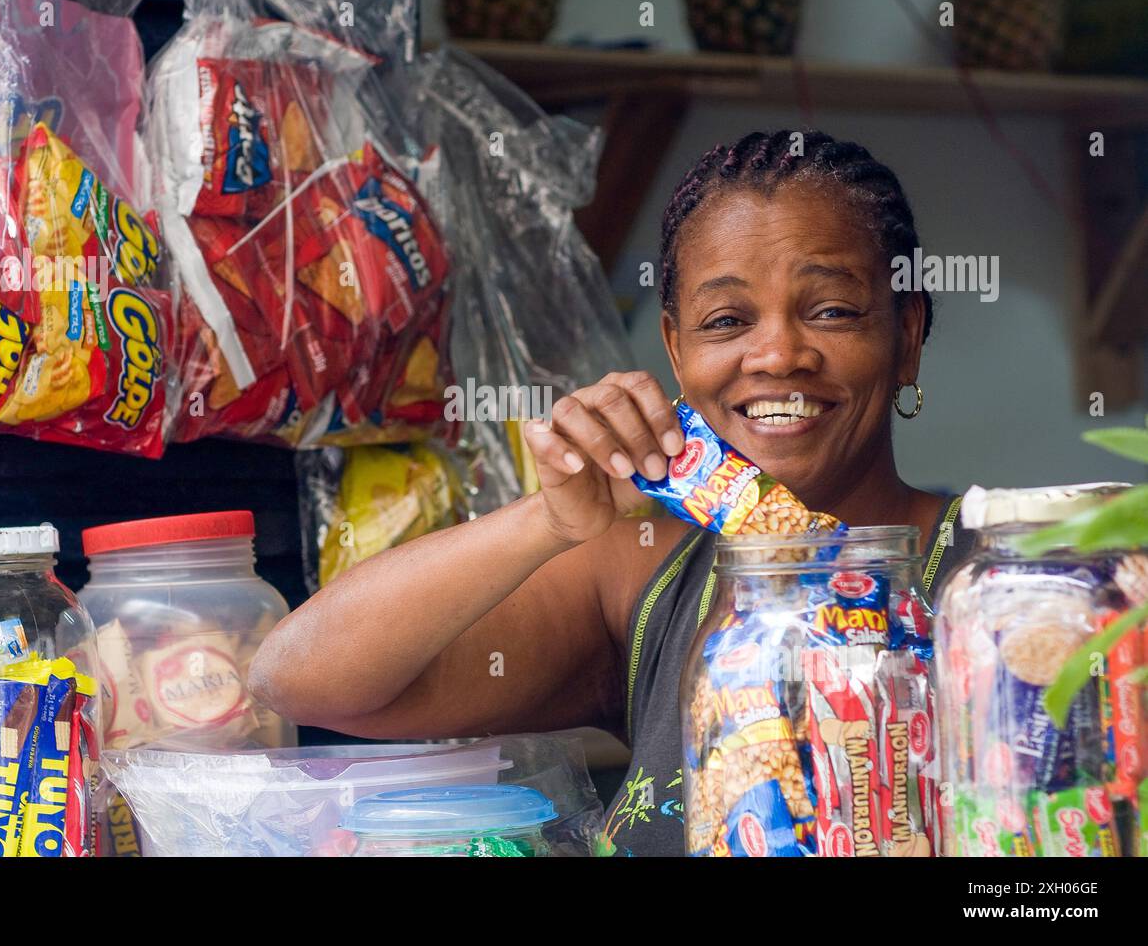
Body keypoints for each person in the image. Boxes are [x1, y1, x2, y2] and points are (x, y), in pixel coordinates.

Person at [249, 130, 975, 856]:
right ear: (676, 351)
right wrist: (549, 519)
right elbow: (299, 678)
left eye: (832, 311)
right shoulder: (642, 570)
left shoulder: (1003, 581)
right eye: (726, 321)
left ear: (907, 336)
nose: (779, 353)